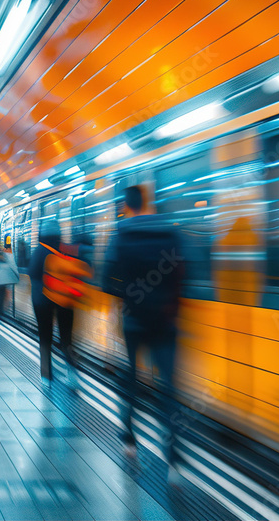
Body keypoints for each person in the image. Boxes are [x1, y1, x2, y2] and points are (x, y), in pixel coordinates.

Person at [103, 185, 185, 469]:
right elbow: (186, 272)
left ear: (127, 204)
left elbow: (104, 280)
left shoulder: (121, 233)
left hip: (134, 320)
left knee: (131, 377)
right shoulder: (170, 231)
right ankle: (173, 456)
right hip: (165, 321)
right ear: (147, 202)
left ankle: (128, 438)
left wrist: (126, 293)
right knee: (168, 386)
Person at [28, 220, 77, 386]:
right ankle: (72, 374)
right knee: (66, 338)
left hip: (42, 302)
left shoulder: (38, 252)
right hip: (64, 300)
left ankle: (46, 376)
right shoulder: (64, 251)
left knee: (45, 338)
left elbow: (32, 273)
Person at [0, 242, 19, 317]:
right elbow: (12, 265)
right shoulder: (6, 254)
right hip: (4, 279)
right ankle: (0, 312)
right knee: (1, 295)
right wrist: (16, 276)